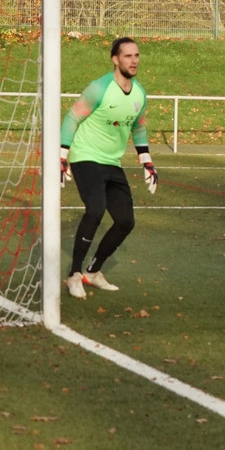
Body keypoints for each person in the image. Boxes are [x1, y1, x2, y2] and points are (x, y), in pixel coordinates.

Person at [60, 37, 157, 299]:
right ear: (115, 59)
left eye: (136, 55)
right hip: (86, 156)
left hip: (112, 162)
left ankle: (93, 272)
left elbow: (139, 127)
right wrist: (62, 155)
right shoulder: (99, 88)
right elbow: (72, 117)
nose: (134, 61)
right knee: (95, 210)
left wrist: (147, 162)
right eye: (128, 56)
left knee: (125, 221)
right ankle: (74, 275)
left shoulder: (139, 94)